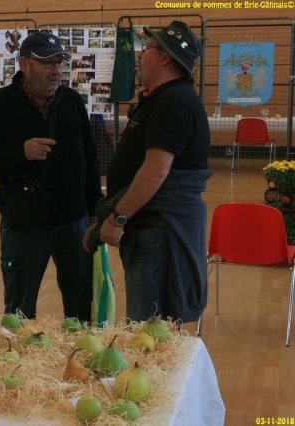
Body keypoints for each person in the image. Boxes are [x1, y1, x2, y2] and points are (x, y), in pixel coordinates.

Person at [0, 32, 102, 321]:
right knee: (19, 309)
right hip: (24, 223)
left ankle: (79, 349)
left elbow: (90, 159)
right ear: (24, 64)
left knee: (81, 305)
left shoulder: (72, 102)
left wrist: (95, 212)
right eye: (46, 63)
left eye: (58, 62)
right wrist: (20, 151)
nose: (55, 70)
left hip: (73, 221)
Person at [91, 21, 211, 323]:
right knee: (148, 329)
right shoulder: (163, 98)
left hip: (158, 230)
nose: (140, 55)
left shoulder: (174, 101)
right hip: (151, 227)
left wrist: (117, 218)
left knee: (146, 331)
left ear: (165, 58)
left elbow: (156, 170)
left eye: (147, 48)